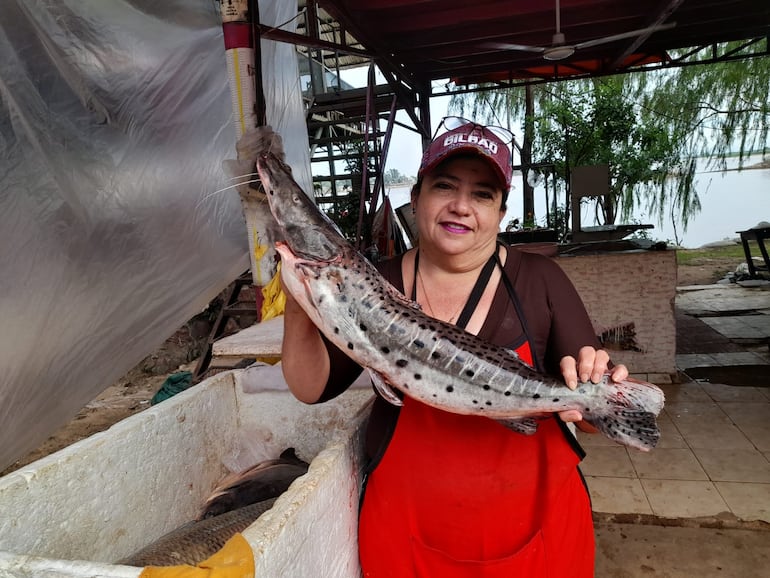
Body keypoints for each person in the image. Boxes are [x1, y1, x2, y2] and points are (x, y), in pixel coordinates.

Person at [279, 117, 629, 577]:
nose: (461, 206)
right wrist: (299, 299)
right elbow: (311, 387)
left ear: (501, 212)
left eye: (482, 194)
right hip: (405, 535)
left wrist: (600, 392)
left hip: (536, 534)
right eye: (445, 186)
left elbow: (586, 414)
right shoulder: (371, 283)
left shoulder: (542, 281)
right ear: (416, 196)